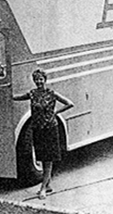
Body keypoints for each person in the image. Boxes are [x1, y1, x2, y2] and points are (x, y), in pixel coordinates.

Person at [13, 69, 74, 199]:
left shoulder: (51, 93)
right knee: (41, 157)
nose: (39, 82)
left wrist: (55, 113)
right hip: (37, 129)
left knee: (48, 159)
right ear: (34, 81)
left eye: (41, 79)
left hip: (50, 129)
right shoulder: (32, 94)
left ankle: (42, 189)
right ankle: (48, 185)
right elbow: (18, 97)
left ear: (45, 80)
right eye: (36, 79)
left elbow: (70, 104)